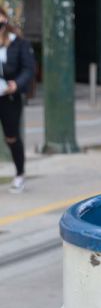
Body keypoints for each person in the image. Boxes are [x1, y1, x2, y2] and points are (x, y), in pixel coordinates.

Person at [0, 10, 35, 194]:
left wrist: (16, 84)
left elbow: (29, 69)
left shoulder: (19, 43)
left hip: (9, 96)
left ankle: (20, 174)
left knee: (11, 137)